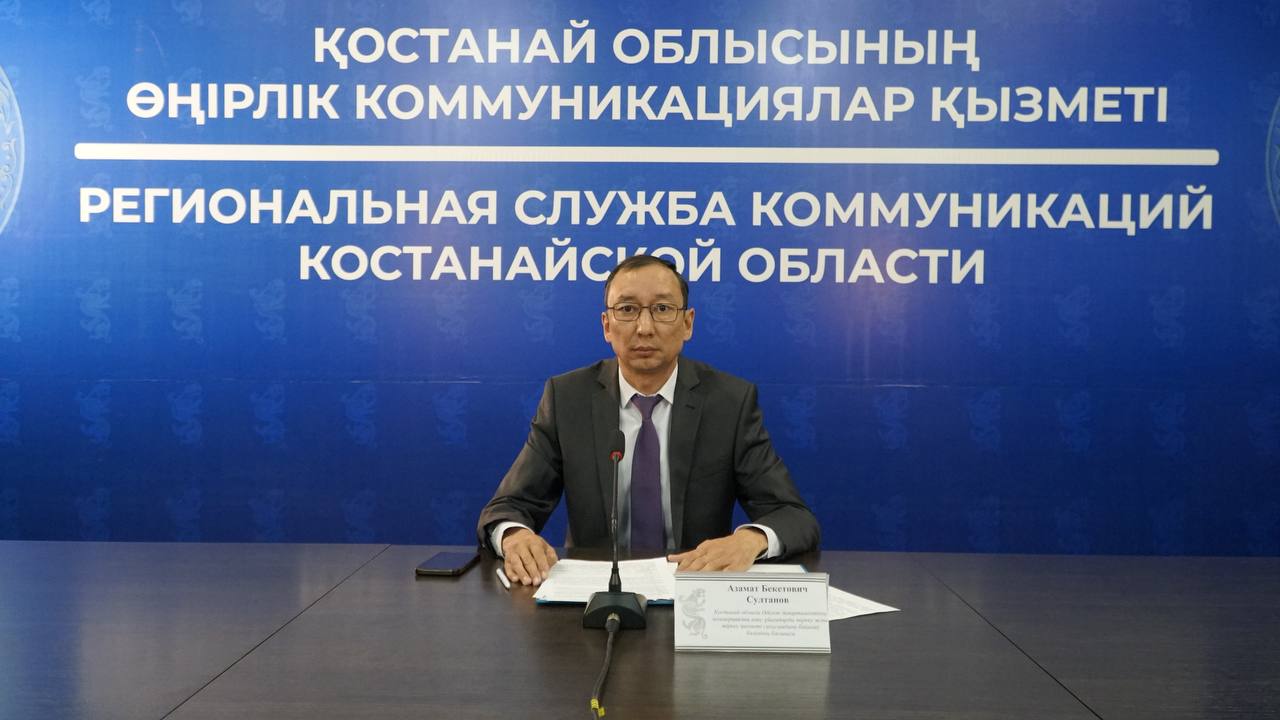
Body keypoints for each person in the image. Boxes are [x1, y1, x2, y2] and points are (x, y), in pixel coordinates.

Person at [477, 255, 820, 586]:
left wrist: (750, 540)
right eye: (627, 310)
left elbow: (794, 516)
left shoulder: (729, 403)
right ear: (606, 326)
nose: (644, 328)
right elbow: (508, 507)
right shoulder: (568, 399)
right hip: (593, 596)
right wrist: (515, 536)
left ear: (688, 323)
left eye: (662, 309)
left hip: (694, 590)